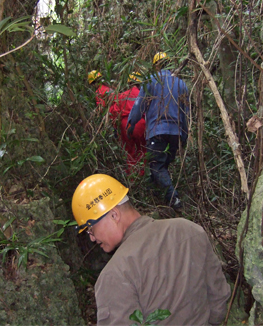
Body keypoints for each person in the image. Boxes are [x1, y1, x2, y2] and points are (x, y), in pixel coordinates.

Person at [72, 174, 231, 326]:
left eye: (91, 229)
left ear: (114, 215)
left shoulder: (114, 274)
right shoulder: (190, 230)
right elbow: (219, 299)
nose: (92, 238)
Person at [126, 52, 189, 210]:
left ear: (155, 66)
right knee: (163, 165)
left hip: (157, 131)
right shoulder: (181, 84)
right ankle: (157, 199)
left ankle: (173, 199)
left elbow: (139, 106)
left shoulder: (151, 83)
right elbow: (185, 112)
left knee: (157, 166)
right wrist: (184, 135)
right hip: (175, 132)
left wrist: (131, 125)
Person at [109, 73, 147, 176]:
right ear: (139, 83)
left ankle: (131, 177)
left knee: (129, 152)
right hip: (140, 124)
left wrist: (115, 129)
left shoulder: (121, 96)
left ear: (129, 83)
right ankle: (142, 175)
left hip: (125, 125)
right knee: (143, 150)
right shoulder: (142, 95)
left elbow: (114, 112)